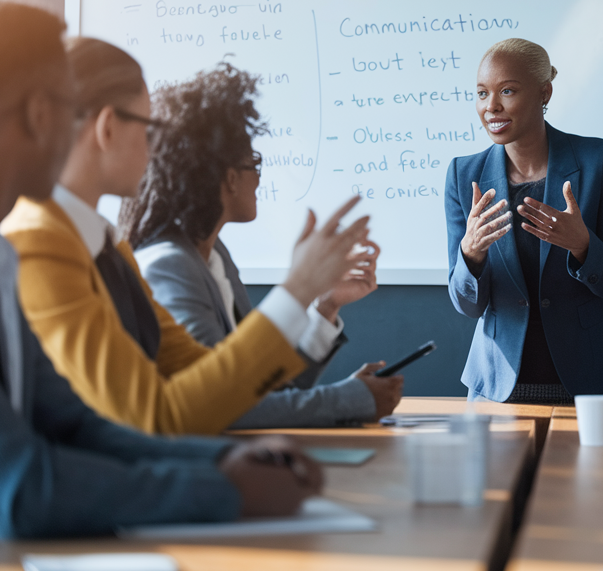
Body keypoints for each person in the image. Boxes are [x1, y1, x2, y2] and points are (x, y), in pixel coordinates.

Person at [0, 0, 324, 565]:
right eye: (70, 112)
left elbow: (72, 424)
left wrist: (221, 465)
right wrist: (224, 492)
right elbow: (16, 486)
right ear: (42, 115)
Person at [1, 38, 383, 435]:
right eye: (148, 128)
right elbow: (158, 415)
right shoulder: (38, 246)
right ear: (108, 127)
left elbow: (210, 380)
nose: (156, 151)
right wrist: (296, 290)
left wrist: (306, 295)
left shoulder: (109, 247)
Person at [124, 64, 400, 415]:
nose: (259, 177)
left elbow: (257, 387)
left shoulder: (215, 258)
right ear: (229, 179)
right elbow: (217, 403)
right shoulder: (169, 266)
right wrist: (353, 399)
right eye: (253, 162)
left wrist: (325, 306)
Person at [445, 38, 603, 404]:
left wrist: (583, 246)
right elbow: (467, 304)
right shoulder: (463, 174)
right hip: (499, 387)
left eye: (507, 91)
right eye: (482, 93)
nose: (492, 107)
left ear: (544, 92)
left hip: (596, 383)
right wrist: (470, 255)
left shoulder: (600, 161)